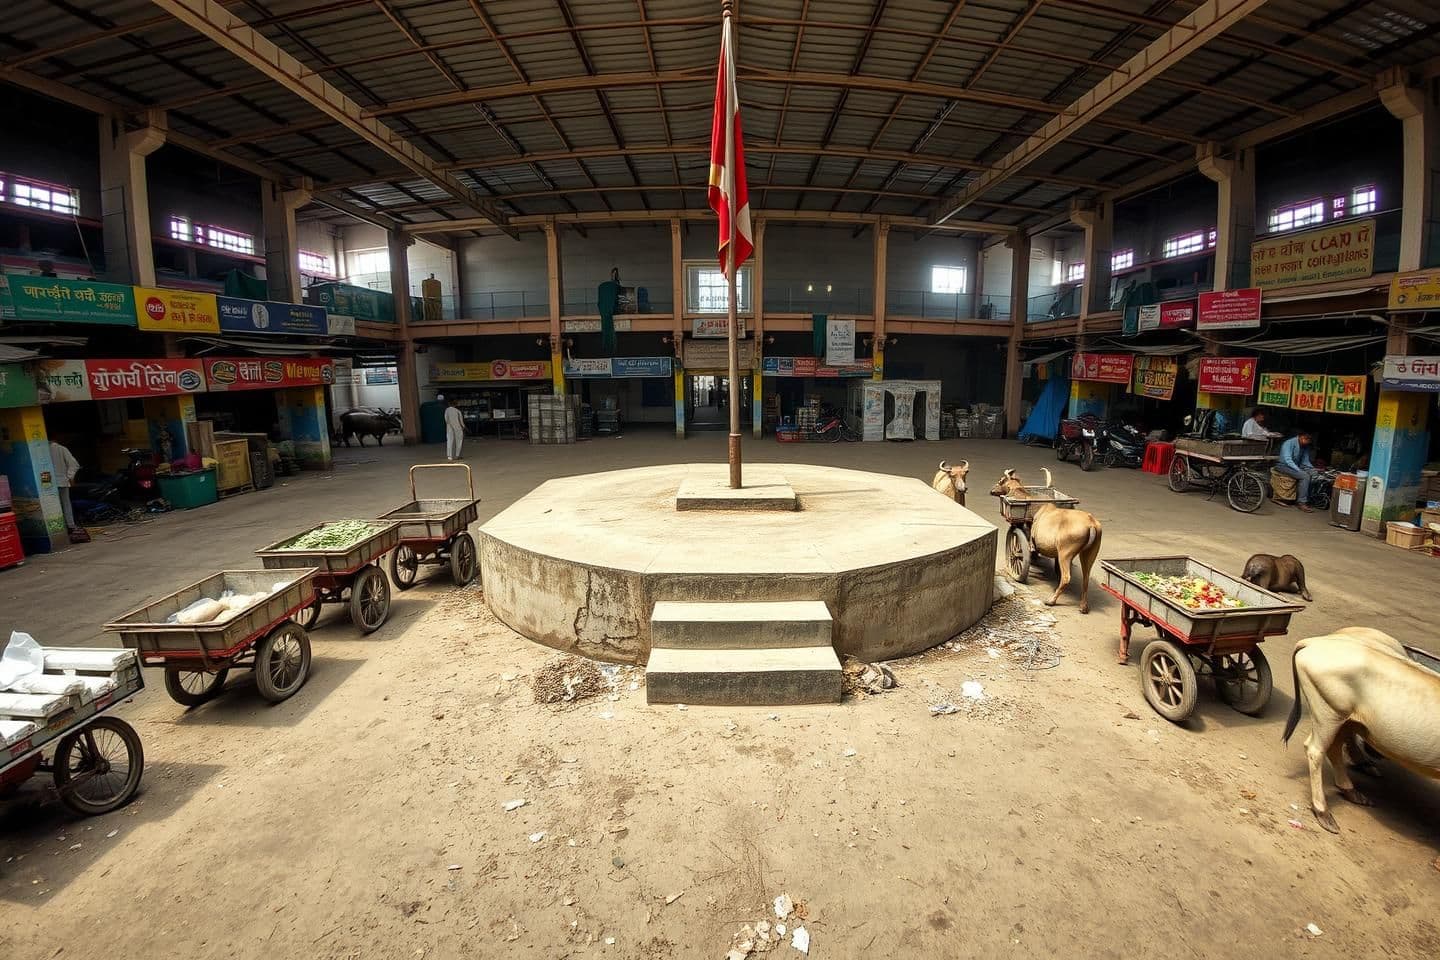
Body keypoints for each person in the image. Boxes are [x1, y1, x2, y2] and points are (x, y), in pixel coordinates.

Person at [1276, 430, 1317, 512]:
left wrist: (1312, 469)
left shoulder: (1304, 446)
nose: (1307, 441)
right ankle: (1301, 502)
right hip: (1283, 466)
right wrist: (1298, 470)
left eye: (1309, 440)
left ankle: (1308, 497)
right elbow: (1288, 460)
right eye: (1306, 439)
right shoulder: (1289, 443)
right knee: (1305, 476)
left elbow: (1305, 461)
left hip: (1295, 466)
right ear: (1300, 437)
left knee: (1314, 474)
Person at [49, 439, 80, 533]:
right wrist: (70, 477)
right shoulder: (61, 449)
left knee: (52, 506)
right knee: (66, 504)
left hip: (46, 485)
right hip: (62, 481)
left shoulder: (39, 450)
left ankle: (58, 528)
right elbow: (74, 464)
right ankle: (70, 526)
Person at [443, 396, 465, 461]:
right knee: (459, 441)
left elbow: (446, 419)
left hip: (449, 428)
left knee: (450, 441)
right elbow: (461, 421)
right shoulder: (458, 411)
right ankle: (457, 455)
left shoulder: (447, 410)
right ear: (456, 404)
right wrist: (464, 427)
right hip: (458, 428)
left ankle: (450, 456)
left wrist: (449, 425)